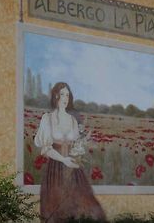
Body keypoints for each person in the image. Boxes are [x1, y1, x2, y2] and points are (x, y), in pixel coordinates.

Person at [34, 82, 106, 223]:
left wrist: (85, 141)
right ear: (56, 96)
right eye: (62, 94)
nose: (65, 98)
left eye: (68, 95)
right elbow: (47, 149)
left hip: (74, 170)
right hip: (55, 171)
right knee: (57, 209)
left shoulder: (72, 120)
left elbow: (76, 145)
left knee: (86, 208)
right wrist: (64, 159)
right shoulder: (47, 119)